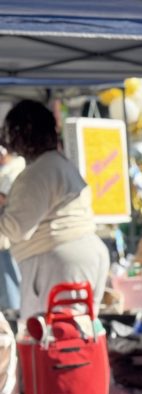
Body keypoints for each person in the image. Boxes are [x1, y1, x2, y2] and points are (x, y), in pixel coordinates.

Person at [0, 100, 109, 321]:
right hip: (83, 255)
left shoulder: (37, 172)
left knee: (56, 340)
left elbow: (16, 229)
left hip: (59, 261)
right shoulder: (60, 164)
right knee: (78, 336)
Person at [0, 145, 25, 314]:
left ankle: (13, 312)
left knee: (10, 277)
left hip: (9, 235)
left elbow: (3, 197)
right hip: (7, 233)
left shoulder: (15, 167)